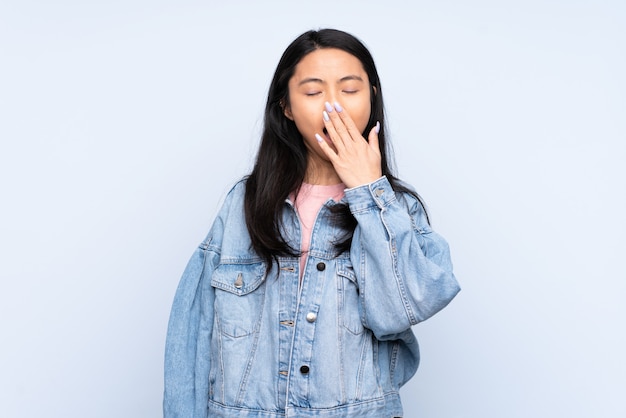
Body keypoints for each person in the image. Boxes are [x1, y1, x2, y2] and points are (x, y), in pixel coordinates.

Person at [164, 28, 460, 418]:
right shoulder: (243, 203)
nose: (333, 107)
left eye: (350, 90)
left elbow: (403, 309)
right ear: (286, 106)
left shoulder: (397, 209)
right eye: (313, 91)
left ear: (372, 96)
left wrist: (370, 191)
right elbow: (193, 334)